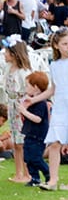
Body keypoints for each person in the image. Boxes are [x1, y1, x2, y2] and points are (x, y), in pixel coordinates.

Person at [26, 30, 68, 191]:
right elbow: (53, 89)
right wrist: (33, 99)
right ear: (56, 45)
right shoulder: (54, 65)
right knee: (54, 143)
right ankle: (53, 179)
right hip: (60, 107)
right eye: (64, 44)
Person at [4, 40, 33, 183]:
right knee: (16, 141)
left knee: (22, 141)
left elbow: (29, 91)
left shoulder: (23, 72)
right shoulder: (8, 69)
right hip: (12, 106)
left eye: (7, 52)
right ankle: (18, 173)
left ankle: (28, 173)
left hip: (21, 107)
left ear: (14, 54)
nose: (4, 54)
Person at [17, 71, 50, 187]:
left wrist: (24, 111)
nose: (26, 88)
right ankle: (34, 177)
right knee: (27, 157)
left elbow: (38, 119)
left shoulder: (41, 103)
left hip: (38, 135)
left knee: (36, 157)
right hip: (29, 133)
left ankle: (48, 173)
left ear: (35, 87)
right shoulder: (31, 101)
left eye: (27, 85)